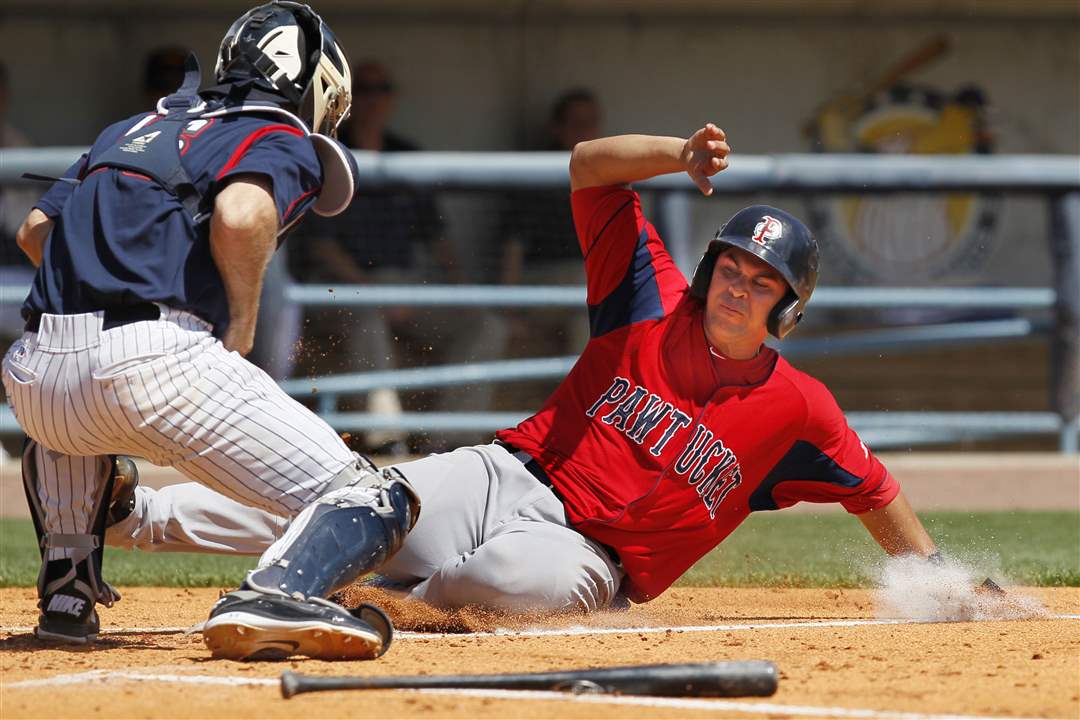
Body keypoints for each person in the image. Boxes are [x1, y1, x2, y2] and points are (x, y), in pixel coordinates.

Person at [105, 122, 942, 616]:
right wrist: (677, 152)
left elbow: (876, 491)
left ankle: (385, 605)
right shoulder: (652, 298)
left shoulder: (799, 408)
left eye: (763, 284)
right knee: (355, 506)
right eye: (731, 267)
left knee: (490, 577)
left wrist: (942, 588)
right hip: (508, 475)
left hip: (589, 559)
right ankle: (132, 511)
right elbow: (587, 166)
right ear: (711, 266)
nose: (737, 287)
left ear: (787, 311)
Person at [2, 2, 421, 661]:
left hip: (36, 383)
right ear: (314, 83)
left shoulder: (132, 127)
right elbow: (241, 212)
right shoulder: (274, 134)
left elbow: (35, 233)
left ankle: (67, 588)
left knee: (76, 416)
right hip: (157, 362)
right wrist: (242, 323)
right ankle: (276, 593)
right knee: (375, 496)